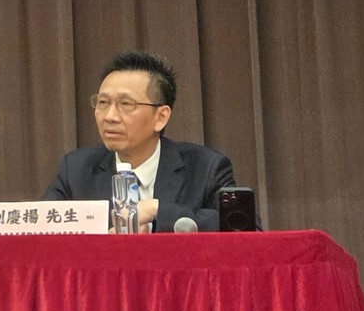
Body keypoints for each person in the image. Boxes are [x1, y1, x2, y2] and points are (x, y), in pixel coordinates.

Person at [43, 50, 234, 232]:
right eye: (103, 102)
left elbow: (239, 224)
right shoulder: (76, 170)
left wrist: (157, 210)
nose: (109, 116)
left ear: (161, 117)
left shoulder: (205, 168)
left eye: (126, 104)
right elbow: (39, 227)